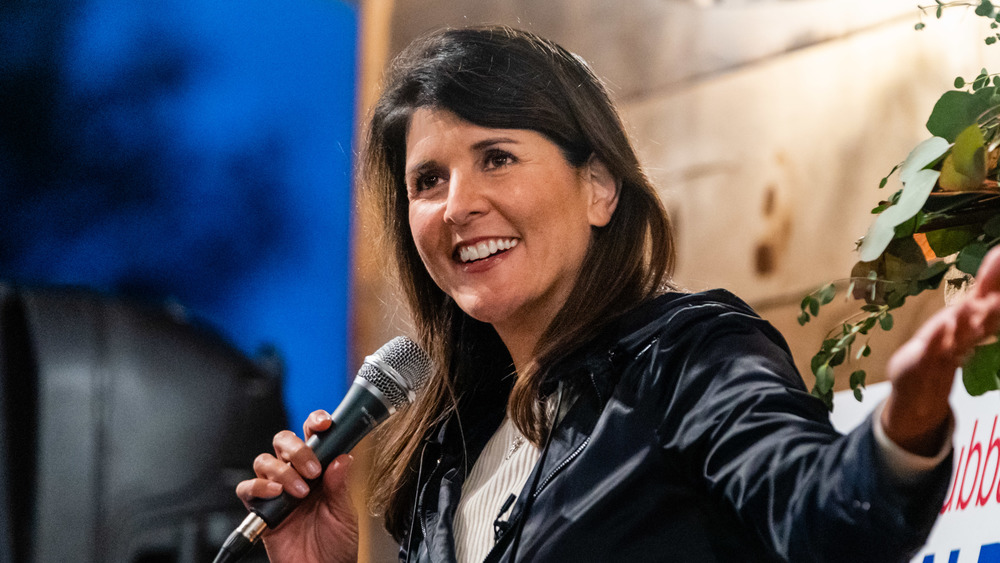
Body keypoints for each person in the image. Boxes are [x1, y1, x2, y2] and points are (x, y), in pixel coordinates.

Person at [235, 26, 1000, 562]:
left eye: (497, 157)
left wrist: (903, 432)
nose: (458, 204)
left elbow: (823, 516)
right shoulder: (443, 462)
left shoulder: (685, 357)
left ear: (599, 187)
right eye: (427, 181)